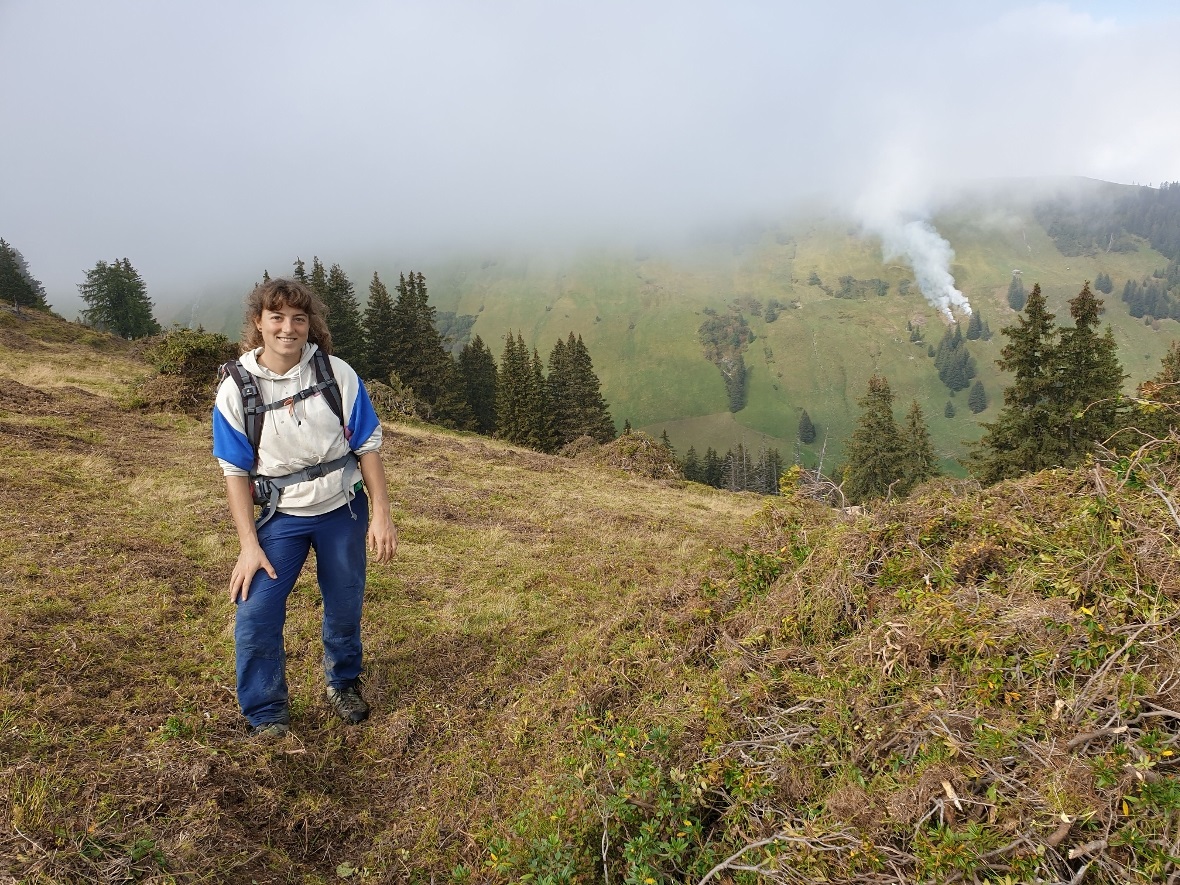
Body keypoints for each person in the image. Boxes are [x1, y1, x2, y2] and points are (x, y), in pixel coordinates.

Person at [212, 278, 397, 737]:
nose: (288, 329)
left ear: (308, 325)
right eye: (276, 318)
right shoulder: (236, 389)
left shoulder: (336, 374)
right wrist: (248, 545)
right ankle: (266, 712)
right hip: (282, 517)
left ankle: (343, 681)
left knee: (344, 599)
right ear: (259, 323)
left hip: (343, 509)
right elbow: (234, 472)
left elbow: (367, 445)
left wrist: (380, 513)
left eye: (298, 319)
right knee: (256, 612)